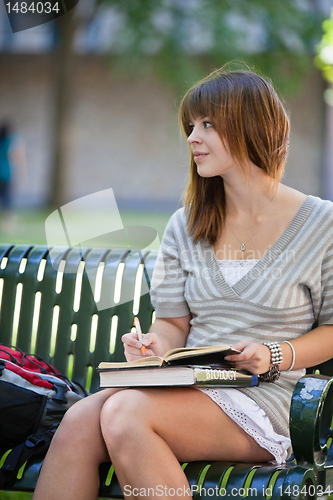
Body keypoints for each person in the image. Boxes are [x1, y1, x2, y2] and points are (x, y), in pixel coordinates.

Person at [32, 66, 333, 500]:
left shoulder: (320, 223)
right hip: (188, 387)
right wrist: (153, 346)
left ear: (251, 127)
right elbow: (172, 323)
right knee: (80, 420)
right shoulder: (186, 224)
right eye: (191, 125)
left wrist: (274, 353)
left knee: (124, 413)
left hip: (270, 399)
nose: (192, 137)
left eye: (208, 124)